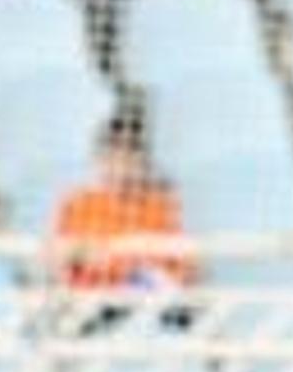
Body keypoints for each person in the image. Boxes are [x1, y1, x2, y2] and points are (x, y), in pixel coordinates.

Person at [53, 115, 195, 294]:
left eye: (130, 155)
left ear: (143, 161)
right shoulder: (78, 204)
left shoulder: (161, 207)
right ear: (101, 158)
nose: (122, 165)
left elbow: (184, 270)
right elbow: (60, 258)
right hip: (93, 300)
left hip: (147, 302)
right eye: (114, 155)